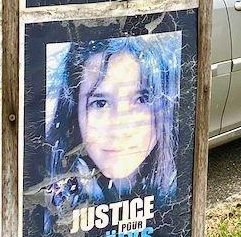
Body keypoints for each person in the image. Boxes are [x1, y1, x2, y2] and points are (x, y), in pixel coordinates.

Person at [42, 34, 180, 224]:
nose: (120, 128)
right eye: (100, 103)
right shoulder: (49, 206)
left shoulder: (178, 201)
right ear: (74, 114)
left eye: (142, 99)